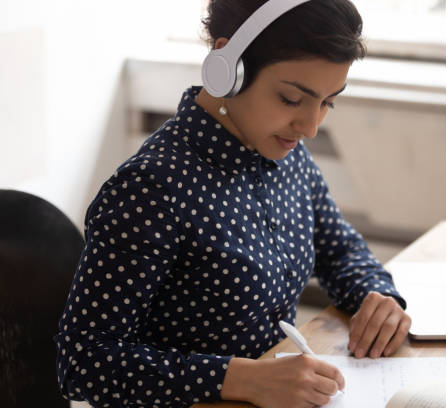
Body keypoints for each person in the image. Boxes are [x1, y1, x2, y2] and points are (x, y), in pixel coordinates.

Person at [54, 0, 411, 406]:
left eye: (328, 102)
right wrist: (238, 378)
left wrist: (376, 295)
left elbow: (339, 248)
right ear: (229, 67)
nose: (311, 127)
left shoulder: (288, 156)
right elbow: (83, 360)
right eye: (292, 100)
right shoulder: (149, 189)